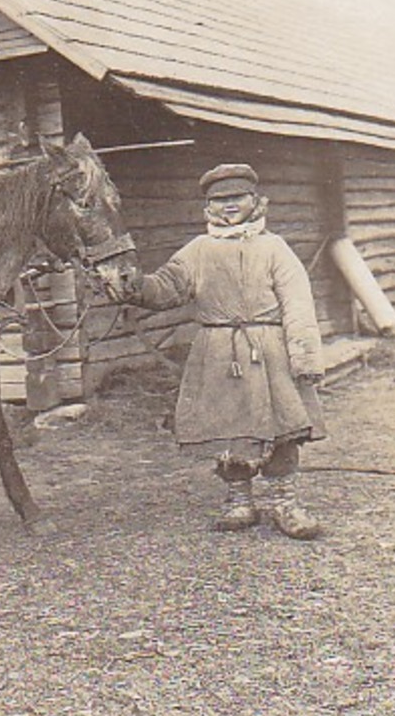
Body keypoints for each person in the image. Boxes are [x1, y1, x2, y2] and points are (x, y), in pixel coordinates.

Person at [116, 163, 327, 539]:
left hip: (269, 352)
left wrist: (305, 357)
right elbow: (167, 287)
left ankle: (284, 502)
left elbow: (298, 304)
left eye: (237, 198)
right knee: (226, 428)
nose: (229, 206)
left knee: (282, 428)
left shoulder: (274, 248)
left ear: (256, 201)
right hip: (217, 353)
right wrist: (134, 286)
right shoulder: (198, 250)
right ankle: (238, 500)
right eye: (220, 199)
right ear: (208, 207)